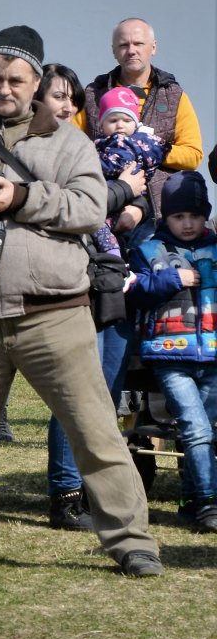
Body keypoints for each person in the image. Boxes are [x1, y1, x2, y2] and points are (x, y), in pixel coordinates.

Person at [0, 24, 162, 578]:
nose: (4, 88)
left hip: (53, 314)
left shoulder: (69, 140)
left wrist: (20, 197)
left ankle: (132, 539)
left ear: (36, 82)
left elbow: (89, 208)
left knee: (95, 431)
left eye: (16, 79)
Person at [40, 63, 147, 528]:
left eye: (71, 98)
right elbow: (67, 209)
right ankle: (65, 492)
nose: (65, 106)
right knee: (74, 392)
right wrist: (123, 190)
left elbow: (145, 188)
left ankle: (93, 490)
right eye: (56, 96)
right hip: (69, 283)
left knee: (105, 389)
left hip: (112, 277)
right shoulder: (35, 151)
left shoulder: (90, 146)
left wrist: (138, 202)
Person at [126, 171, 217, 530]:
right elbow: (134, 292)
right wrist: (171, 279)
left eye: (195, 215)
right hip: (170, 356)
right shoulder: (148, 250)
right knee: (195, 429)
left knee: (206, 429)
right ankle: (209, 502)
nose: (188, 223)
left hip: (212, 356)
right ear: (166, 217)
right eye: (179, 217)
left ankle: (190, 501)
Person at [74, 18, 201, 172]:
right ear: (114, 51)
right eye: (123, 45)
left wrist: (149, 148)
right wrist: (110, 153)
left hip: (159, 191)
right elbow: (71, 147)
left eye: (138, 44)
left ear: (153, 47)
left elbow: (193, 156)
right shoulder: (92, 95)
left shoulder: (173, 96)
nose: (131, 50)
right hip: (105, 187)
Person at [89, 87, 165, 248]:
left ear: (136, 123)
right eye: (113, 120)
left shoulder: (129, 144)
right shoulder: (108, 143)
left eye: (126, 120)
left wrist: (91, 163)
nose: (120, 126)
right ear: (102, 124)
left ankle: (114, 257)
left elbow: (116, 164)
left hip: (130, 202)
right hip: (118, 200)